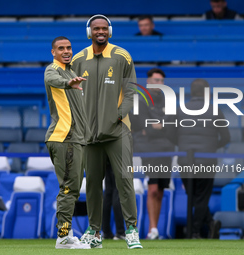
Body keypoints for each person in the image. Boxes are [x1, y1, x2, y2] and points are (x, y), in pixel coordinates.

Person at [71, 14, 142, 249]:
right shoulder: (79, 59)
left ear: (109, 31)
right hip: (89, 134)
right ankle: (94, 232)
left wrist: (119, 115)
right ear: (89, 32)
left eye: (104, 28)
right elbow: (71, 94)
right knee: (91, 184)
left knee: (125, 180)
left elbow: (131, 90)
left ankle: (131, 230)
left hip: (118, 132)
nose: (100, 31)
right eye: (96, 28)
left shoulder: (122, 56)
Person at [167, 79, 230, 239]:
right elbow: (226, 137)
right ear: (207, 93)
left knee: (193, 196)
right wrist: (212, 146)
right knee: (202, 196)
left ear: (191, 92)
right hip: (207, 160)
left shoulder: (179, 110)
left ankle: (205, 225)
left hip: (185, 160)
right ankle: (197, 229)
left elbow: (169, 134)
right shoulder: (215, 110)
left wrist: (181, 144)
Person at [44, 36, 90, 249]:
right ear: (53, 52)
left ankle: (67, 234)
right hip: (64, 137)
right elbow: (53, 80)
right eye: (61, 48)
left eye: (69, 47)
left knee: (72, 189)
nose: (66, 51)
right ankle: (62, 237)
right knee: (68, 189)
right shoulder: (52, 70)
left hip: (76, 138)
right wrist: (67, 83)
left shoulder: (73, 72)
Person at [130, 68, 174, 240]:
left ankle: (155, 230)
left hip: (167, 149)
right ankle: (151, 229)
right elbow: (143, 126)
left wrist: (158, 127)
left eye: (162, 81)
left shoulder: (168, 101)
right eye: (156, 80)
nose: (159, 84)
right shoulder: (140, 100)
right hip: (149, 149)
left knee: (162, 189)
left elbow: (171, 125)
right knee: (153, 188)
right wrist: (156, 127)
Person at [102, 158, 125, 240]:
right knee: (117, 190)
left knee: (108, 190)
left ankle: (106, 231)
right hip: (117, 154)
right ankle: (120, 232)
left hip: (106, 155)